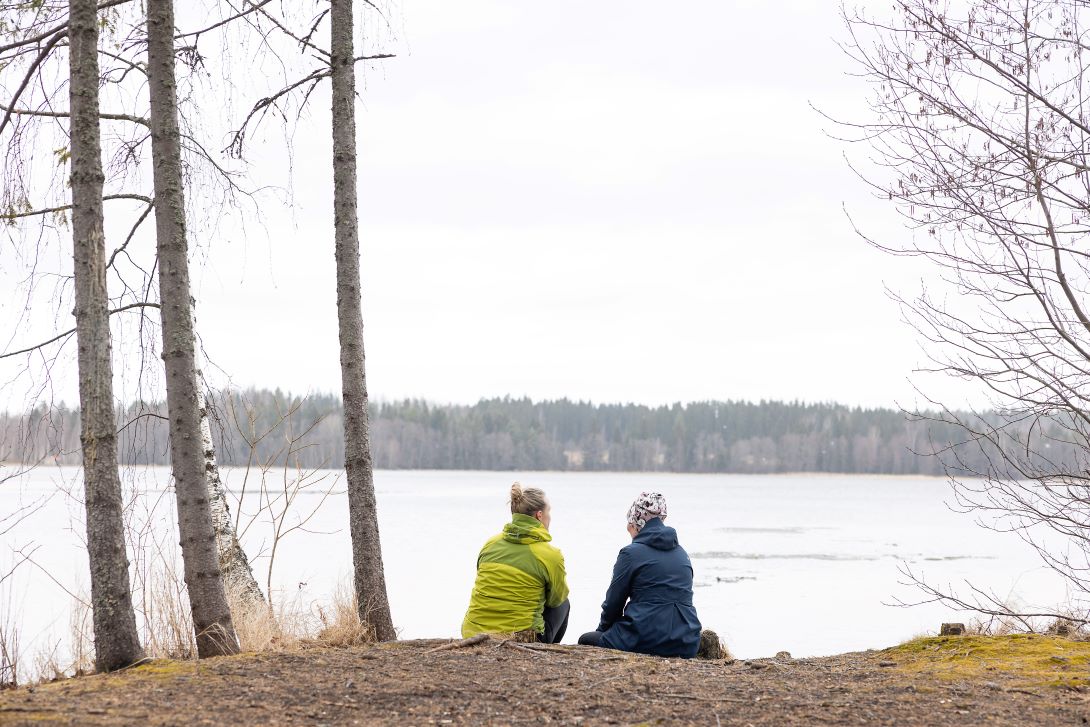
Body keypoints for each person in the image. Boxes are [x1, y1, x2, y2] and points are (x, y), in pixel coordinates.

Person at [578, 492, 701, 657]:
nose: (629, 532)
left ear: (637, 523)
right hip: (687, 642)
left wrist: (603, 633)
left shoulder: (630, 553)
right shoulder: (682, 554)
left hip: (645, 639)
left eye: (629, 526)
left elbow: (614, 604)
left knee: (586, 639)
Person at [461, 483, 570, 642]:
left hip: (472, 631)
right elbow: (556, 599)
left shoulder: (490, 544)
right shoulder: (550, 555)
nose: (550, 517)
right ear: (539, 515)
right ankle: (548, 649)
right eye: (549, 512)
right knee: (563, 603)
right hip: (519, 637)